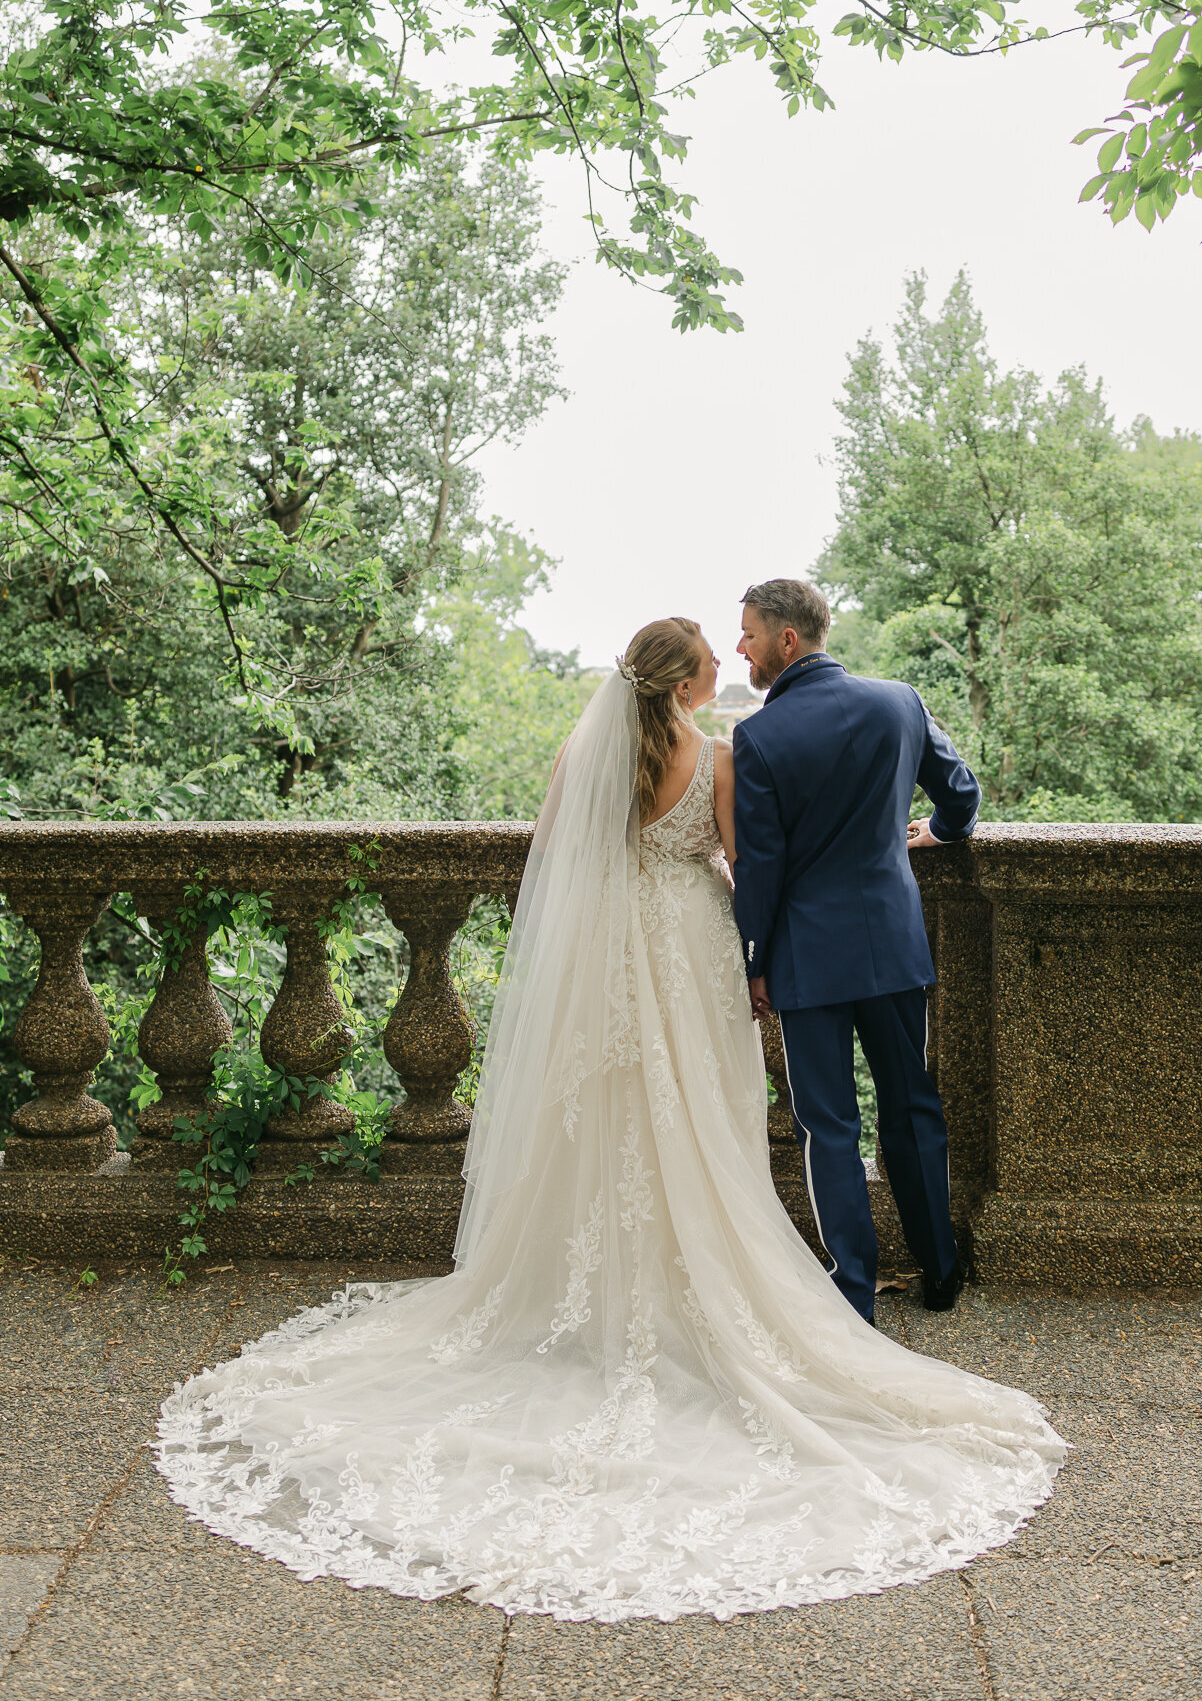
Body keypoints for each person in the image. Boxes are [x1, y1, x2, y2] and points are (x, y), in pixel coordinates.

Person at [157, 616, 1063, 1622]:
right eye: (715, 661)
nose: (731, 664)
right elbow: (739, 865)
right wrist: (754, 935)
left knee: (614, 1116)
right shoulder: (729, 751)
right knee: (734, 1115)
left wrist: (685, 907)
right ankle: (847, 1275)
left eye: (743, 645)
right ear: (686, 683)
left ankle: (654, 1287)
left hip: (609, 959)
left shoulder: (586, 750)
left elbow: (555, 859)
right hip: (704, 945)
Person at [732, 578, 978, 1326]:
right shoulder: (898, 701)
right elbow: (960, 795)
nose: (739, 646)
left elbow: (761, 867)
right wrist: (936, 833)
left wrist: (753, 961)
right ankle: (939, 1268)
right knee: (912, 1105)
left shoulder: (759, 736)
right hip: (894, 943)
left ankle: (851, 1294)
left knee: (828, 1127)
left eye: (746, 633)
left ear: (786, 639)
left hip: (807, 958)